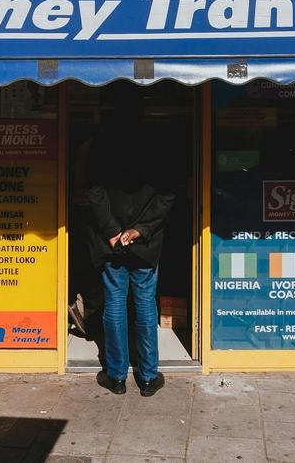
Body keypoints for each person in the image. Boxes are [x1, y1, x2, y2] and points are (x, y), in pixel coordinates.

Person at [84, 119, 175, 397]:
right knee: (145, 303)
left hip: (110, 242)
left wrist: (112, 231)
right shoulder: (158, 145)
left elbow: (94, 190)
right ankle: (147, 377)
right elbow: (168, 194)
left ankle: (116, 376)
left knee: (114, 303)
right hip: (145, 243)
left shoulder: (101, 143)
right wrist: (139, 230)